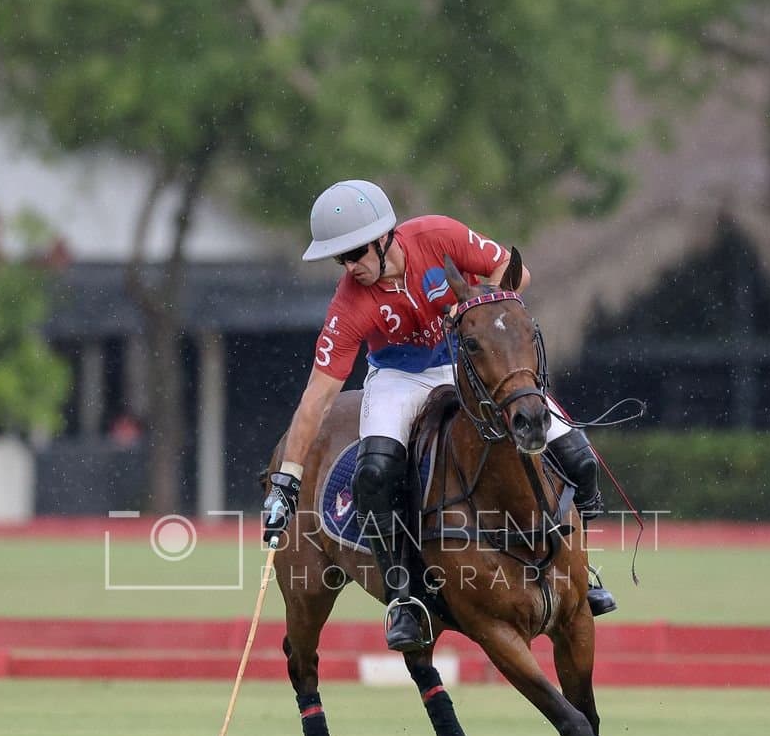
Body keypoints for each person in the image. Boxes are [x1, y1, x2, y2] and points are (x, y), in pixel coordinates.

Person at [263, 179, 614, 653]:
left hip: (466, 362)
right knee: (374, 474)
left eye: (355, 253)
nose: (350, 267)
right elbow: (317, 397)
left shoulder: (438, 235)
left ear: (385, 236)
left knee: (577, 454)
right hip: (397, 378)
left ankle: (580, 571)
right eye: (340, 259)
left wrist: (472, 307)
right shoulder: (348, 305)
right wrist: (288, 479)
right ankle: (404, 598)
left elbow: (516, 273)